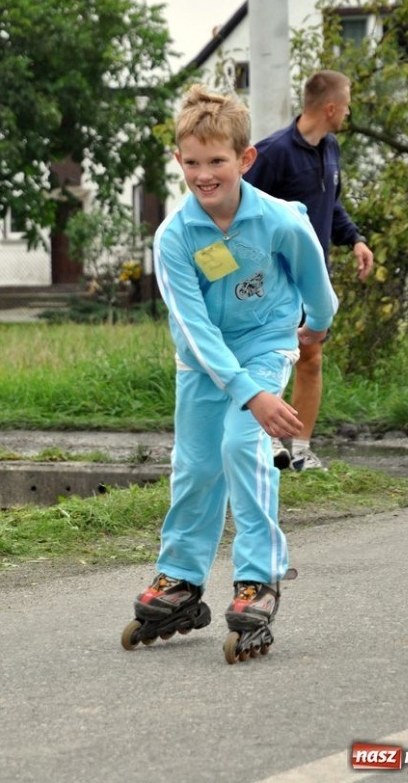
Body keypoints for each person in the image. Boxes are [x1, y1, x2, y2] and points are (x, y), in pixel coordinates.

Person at [124, 84, 338, 653]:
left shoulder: (277, 220)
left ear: (244, 160)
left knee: (243, 445)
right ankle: (181, 578)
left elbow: (317, 282)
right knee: (194, 465)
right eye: (191, 162)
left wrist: (315, 325)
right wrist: (248, 392)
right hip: (202, 359)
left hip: (266, 343)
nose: (204, 174)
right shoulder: (174, 238)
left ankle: (258, 577)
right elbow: (193, 328)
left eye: (216, 161)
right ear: (178, 162)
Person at [244, 70, 373, 471]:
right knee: (267, 357)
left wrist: (354, 239)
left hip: (311, 277)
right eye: (347, 103)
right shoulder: (274, 152)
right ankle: (261, 445)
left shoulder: (330, 148)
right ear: (330, 107)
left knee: (310, 357)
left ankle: (299, 451)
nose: (348, 111)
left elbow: (330, 203)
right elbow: (241, 206)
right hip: (270, 281)